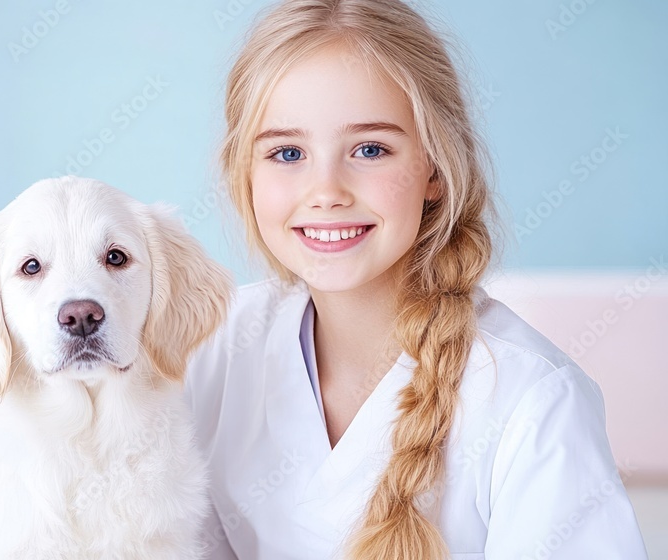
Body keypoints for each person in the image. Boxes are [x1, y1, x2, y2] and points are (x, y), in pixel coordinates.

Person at [183, 0, 649, 558]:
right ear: (245, 173)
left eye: (371, 149)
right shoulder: (210, 350)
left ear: (435, 167)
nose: (326, 190)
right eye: (287, 153)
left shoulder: (533, 400)